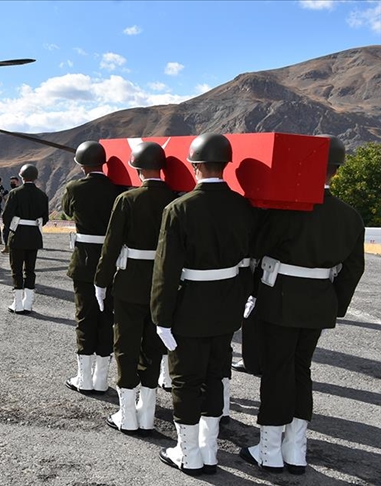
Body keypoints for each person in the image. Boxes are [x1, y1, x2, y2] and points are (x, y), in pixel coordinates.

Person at [239, 135, 365, 475]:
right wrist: (334, 305)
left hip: (279, 300)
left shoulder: (287, 210)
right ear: (336, 171)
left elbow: (256, 249)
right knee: (300, 370)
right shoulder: (351, 216)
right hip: (319, 303)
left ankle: (269, 451)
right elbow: (354, 268)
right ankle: (295, 450)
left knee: (276, 371)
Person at [152, 133, 258, 476]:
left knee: (185, 379)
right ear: (225, 164)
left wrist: (161, 316)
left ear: (194, 165)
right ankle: (209, 451)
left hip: (190, 307)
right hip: (227, 306)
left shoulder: (179, 208)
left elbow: (166, 270)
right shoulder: (243, 206)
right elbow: (248, 260)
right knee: (215, 376)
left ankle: (188, 453)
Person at [94, 142, 176, 434]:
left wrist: (101, 281)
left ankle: (127, 415)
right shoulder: (176, 199)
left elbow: (111, 245)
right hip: (162, 284)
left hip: (129, 283)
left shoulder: (127, 199)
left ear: (138, 169)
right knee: (152, 347)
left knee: (126, 346)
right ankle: (147, 413)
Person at [61, 141, 122, 395]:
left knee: (85, 318)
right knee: (107, 318)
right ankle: (101, 379)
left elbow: (67, 212)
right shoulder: (117, 189)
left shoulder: (74, 187)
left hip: (85, 260)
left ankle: (84, 378)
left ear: (81, 164)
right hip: (112, 261)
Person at [3, 164, 49, 314]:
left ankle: (17, 303)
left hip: (17, 236)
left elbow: (6, 216)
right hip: (34, 236)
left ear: (21, 176)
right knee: (30, 270)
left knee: (16, 269)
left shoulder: (15, 193)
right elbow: (45, 218)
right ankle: (28, 303)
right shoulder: (42, 195)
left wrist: (13, 227)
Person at [1, 176, 21, 254]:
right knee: (6, 232)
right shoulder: (11, 192)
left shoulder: (19, 192)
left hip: (16, 216)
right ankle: (7, 247)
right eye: (11, 182)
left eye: (13, 182)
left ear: (18, 182)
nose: (12, 183)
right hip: (10, 216)